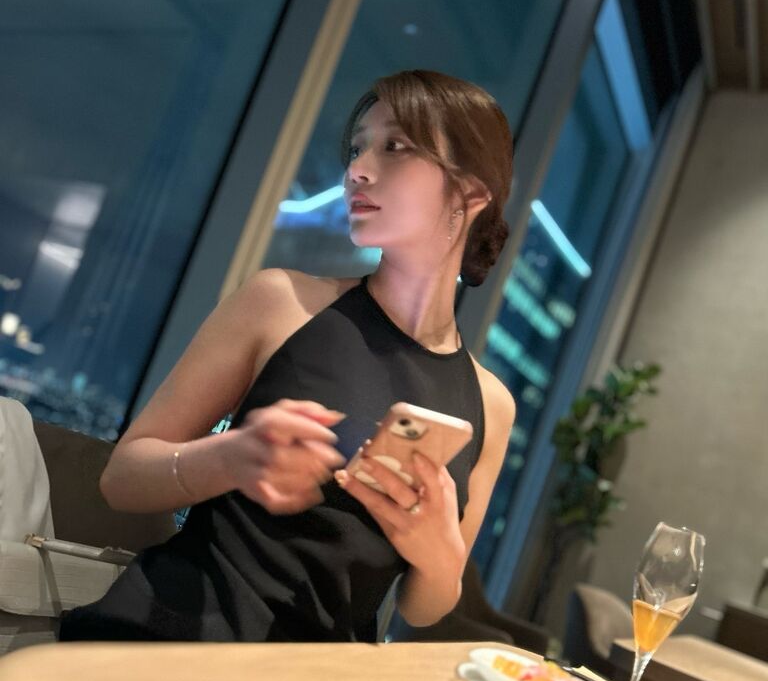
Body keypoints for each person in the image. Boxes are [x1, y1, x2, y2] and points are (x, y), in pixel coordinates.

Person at [59, 69, 516, 643]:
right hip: (175, 639)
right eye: (357, 148)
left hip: (314, 680)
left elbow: (421, 609)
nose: (357, 169)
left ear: (471, 193)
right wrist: (229, 458)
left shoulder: (491, 404)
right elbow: (122, 478)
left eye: (395, 146)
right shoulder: (280, 303)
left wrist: (439, 552)